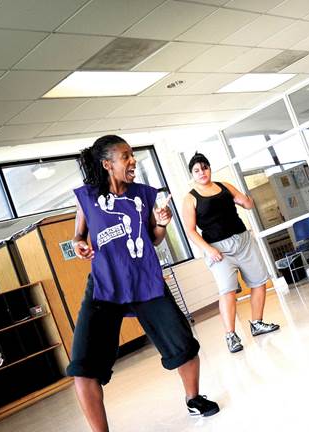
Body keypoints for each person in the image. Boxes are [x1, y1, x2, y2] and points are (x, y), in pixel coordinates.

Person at [68, 135, 219, 431]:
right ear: (107, 164)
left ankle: (193, 398)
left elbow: (154, 239)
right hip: (105, 285)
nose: (132, 160)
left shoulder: (144, 194)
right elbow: (79, 235)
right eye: (125, 156)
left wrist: (162, 223)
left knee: (183, 343)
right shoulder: (86, 197)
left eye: (133, 154)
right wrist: (78, 245)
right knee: (83, 366)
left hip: (145, 278)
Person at [182, 152, 279, 353]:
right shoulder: (190, 198)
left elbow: (247, 204)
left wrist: (246, 200)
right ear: (192, 174)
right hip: (218, 250)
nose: (202, 173)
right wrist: (209, 250)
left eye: (205, 168)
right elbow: (190, 230)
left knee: (259, 282)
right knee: (227, 291)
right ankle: (231, 336)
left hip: (243, 241)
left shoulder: (225, 186)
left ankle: (257, 323)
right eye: (197, 170)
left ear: (209, 168)